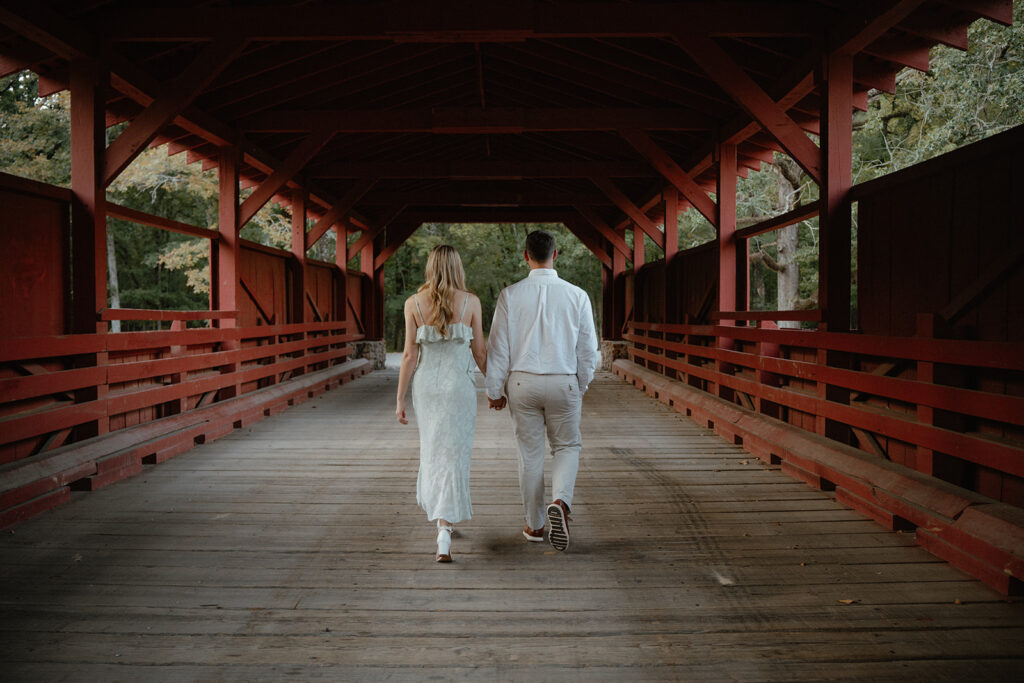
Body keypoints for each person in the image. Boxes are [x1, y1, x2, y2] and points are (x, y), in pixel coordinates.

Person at [486, 230, 600, 551]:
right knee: (566, 447)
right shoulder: (577, 295)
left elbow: (498, 349)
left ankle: (535, 526)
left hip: (522, 382)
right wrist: (580, 383)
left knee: (530, 455)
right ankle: (561, 504)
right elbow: (588, 350)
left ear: (526, 255)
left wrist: (495, 389)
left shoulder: (510, 295)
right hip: (563, 380)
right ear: (556, 254)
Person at [395, 245, 487, 562]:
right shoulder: (471, 302)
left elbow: (409, 355)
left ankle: (442, 520)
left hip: (427, 389)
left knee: (433, 450)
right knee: (455, 453)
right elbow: (480, 353)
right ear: (458, 268)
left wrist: (399, 399)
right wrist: (496, 386)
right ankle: (445, 529)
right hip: (459, 387)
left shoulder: (413, 304)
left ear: (430, 267)